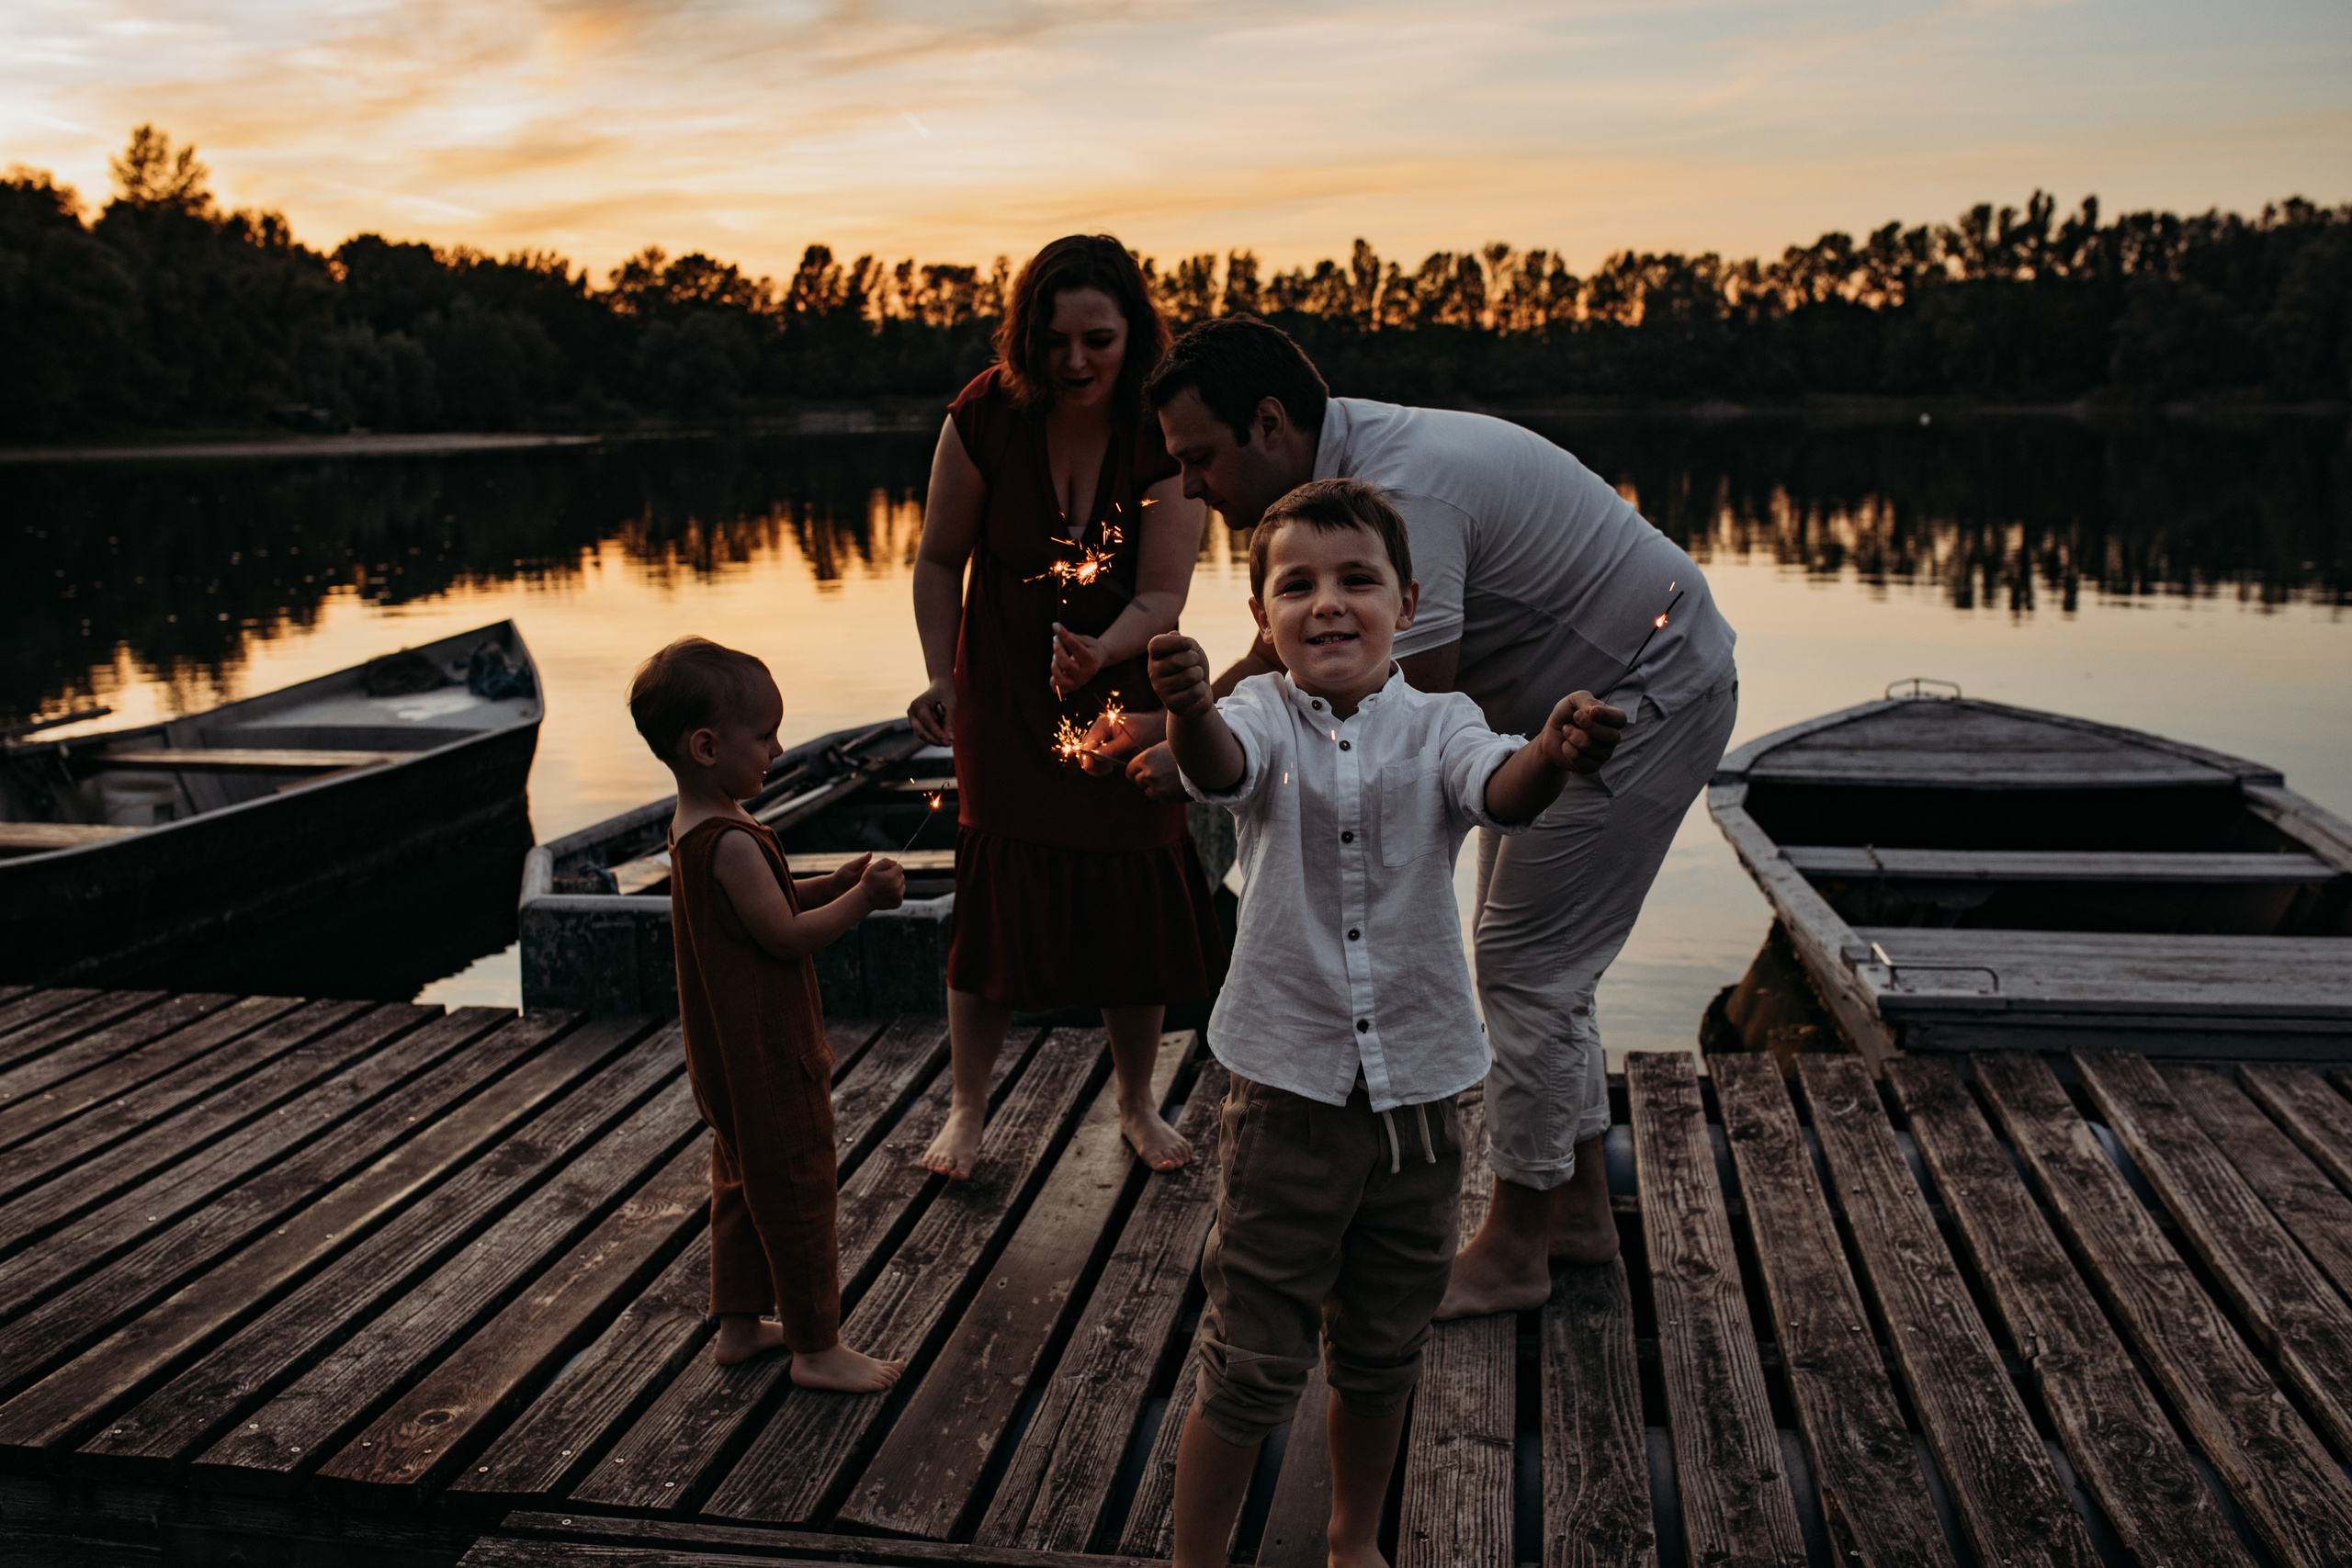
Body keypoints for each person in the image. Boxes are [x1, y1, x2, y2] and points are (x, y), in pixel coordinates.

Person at [1100, 315, 1738, 1317]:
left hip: (1635, 696)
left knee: (1529, 969)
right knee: (1536, 966)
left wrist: (1207, 767)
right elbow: (1302, 654)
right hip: (1560, 704)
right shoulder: (1349, 494)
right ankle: (1572, 1216)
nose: (1189, 489)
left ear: (1269, 424)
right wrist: (1184, 715)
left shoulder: (1404, 494)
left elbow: (1386, 728)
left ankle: (1517, 1248)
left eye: (1196, 460)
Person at [1149, 479, 1622, 1568]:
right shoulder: (1257, 714)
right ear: (1263, 619)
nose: (1327, 603)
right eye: (1295, 586)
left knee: (1381, 1348)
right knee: (1251, 1358)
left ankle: (1353, 1540)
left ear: (1406, 604)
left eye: (1356, 580)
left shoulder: (1443, 723)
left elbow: (1497, 792)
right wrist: (1184, 706)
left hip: (1417, 1103)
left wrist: (1550, 749)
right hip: (1285, 1100)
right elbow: (1219, 772)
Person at [905, 234, 1224, 1181]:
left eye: (1097, 339)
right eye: (1054, 341)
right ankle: (967, 1112)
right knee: (993, 901)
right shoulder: (982, 415)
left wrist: (1105, 652)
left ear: (1135, 333)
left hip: (1124, 694)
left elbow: (1164, 594)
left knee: (1132, 888)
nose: (1075, 361)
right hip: (1000, 692)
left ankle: (1134, 1103)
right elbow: (935, 560)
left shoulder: (1161, 429)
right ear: (1026, 339)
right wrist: (939, 676)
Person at [628, 636, 910, 1391]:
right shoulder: (733, 843)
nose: (779, 750)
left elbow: (768, 910)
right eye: (765, 735)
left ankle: (740, 1323)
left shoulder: (696, 832)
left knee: (741, 1183)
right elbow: (786, 936)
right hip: (767, 1056)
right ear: (706, 744)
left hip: (726, 1060)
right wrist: (863, 901)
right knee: (798, 1188)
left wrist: (837, 877)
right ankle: (817, 1347)